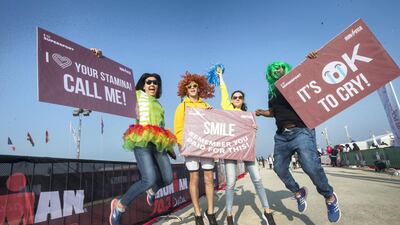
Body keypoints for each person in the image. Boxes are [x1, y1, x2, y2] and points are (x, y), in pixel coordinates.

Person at [255, 56, 341, 223]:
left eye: (280, 67)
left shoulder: (297, 82)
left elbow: (314, 78)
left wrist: (311, 60)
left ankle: (330, 198)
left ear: (286, 68)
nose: (277, 70)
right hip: (281, 136)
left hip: (301, 130)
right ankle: (298, 192)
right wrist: (262, 112)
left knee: (310, 166)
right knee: (279, 168)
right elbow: (274, 111)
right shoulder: (272, 91)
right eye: (274, 69)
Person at [109, 73, 177, 225]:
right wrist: (98, 57)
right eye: (149, 82)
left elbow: (161, 126)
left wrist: (170, 149)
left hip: (158, 142)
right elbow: (114, 81)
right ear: (143, 85)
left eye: (155, 83)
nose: (152, 85)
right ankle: (119, 206)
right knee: (148, 179)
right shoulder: (136, 95)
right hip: (142, 140)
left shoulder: (159, 105)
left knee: (167, 179)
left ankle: (152, 191)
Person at [216, 68, 275, 225]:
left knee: (257, 179)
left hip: (246, 150)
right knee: (230, 183)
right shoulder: (228, 110)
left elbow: (253, 134)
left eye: (239, 97)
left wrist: (254, 129)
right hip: (230, 151)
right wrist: (221, 76)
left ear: (243, 100)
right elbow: (223, 92)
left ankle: (267, 211)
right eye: (234, 97)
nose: (236, 98)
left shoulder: (248, 116)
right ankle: (229, 215)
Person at [174, 72, 217, 225]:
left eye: (195, 86)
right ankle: (197, 213)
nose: (192, 88)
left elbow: (213, 126)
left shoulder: (206, 106)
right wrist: (183, 145)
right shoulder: (182, 106)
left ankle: (211, 212)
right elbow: (178, 128)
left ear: (199, 89)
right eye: (189, 86)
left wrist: (212, 114)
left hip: (206, 147)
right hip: (191, 147)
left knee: (209, 178)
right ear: (185, 90)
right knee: (194, 178)